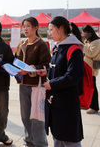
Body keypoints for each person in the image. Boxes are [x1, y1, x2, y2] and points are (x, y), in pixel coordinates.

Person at [38, 16, 84, 147]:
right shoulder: (58, 48)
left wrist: (51, 83)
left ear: (61, 28)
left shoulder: (73, 49)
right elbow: (60, 68)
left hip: (67, 104)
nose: (49, 33)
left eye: (51, 29)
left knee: (70, 140)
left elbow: (74, 76)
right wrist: (47, 71)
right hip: (57, 104)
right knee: (58, 137)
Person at [15, 17, 51, 147]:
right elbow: (15, 61)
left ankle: (40, 143)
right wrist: (15, 70)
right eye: (23, 26)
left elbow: (47, 66)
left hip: (37, 86)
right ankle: (29, 141)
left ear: (36, 27)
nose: (25, 29)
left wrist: (30, 70)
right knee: (25, 116)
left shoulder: (41, 45)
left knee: (37, 118)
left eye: (28, 26)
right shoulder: (21, 44)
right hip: (23, 85)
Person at [82, 25, 100, 114]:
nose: (83, 34)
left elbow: (92, 53)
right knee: (87, 86)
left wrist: (83, 46)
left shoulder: (97, 42)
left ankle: (94, 107)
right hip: (86, 68)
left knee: (93, 87)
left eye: (85, 33)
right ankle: (88, 104)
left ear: (90, 33)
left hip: (92, 69)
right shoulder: (87, 41)